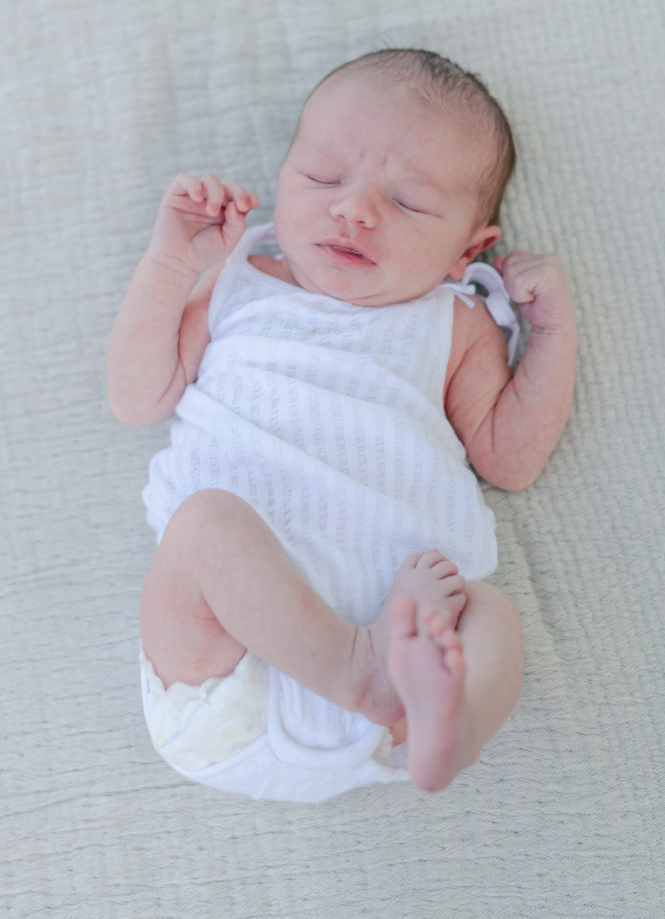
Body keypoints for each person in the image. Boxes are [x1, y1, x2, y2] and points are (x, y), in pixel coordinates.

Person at [108, 48, 576, 801]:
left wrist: (551, 334)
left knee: (492, 614)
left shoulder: (453, 323)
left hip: (406, 664)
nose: (354, 209)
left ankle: (449, 727)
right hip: (227, 687)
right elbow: (139, 397)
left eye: (410, 202)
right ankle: (358, 673)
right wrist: (170, 264)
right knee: (203, 529)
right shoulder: (239, 282)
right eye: (323, 176)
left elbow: (510, 458)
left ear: (470, 251)